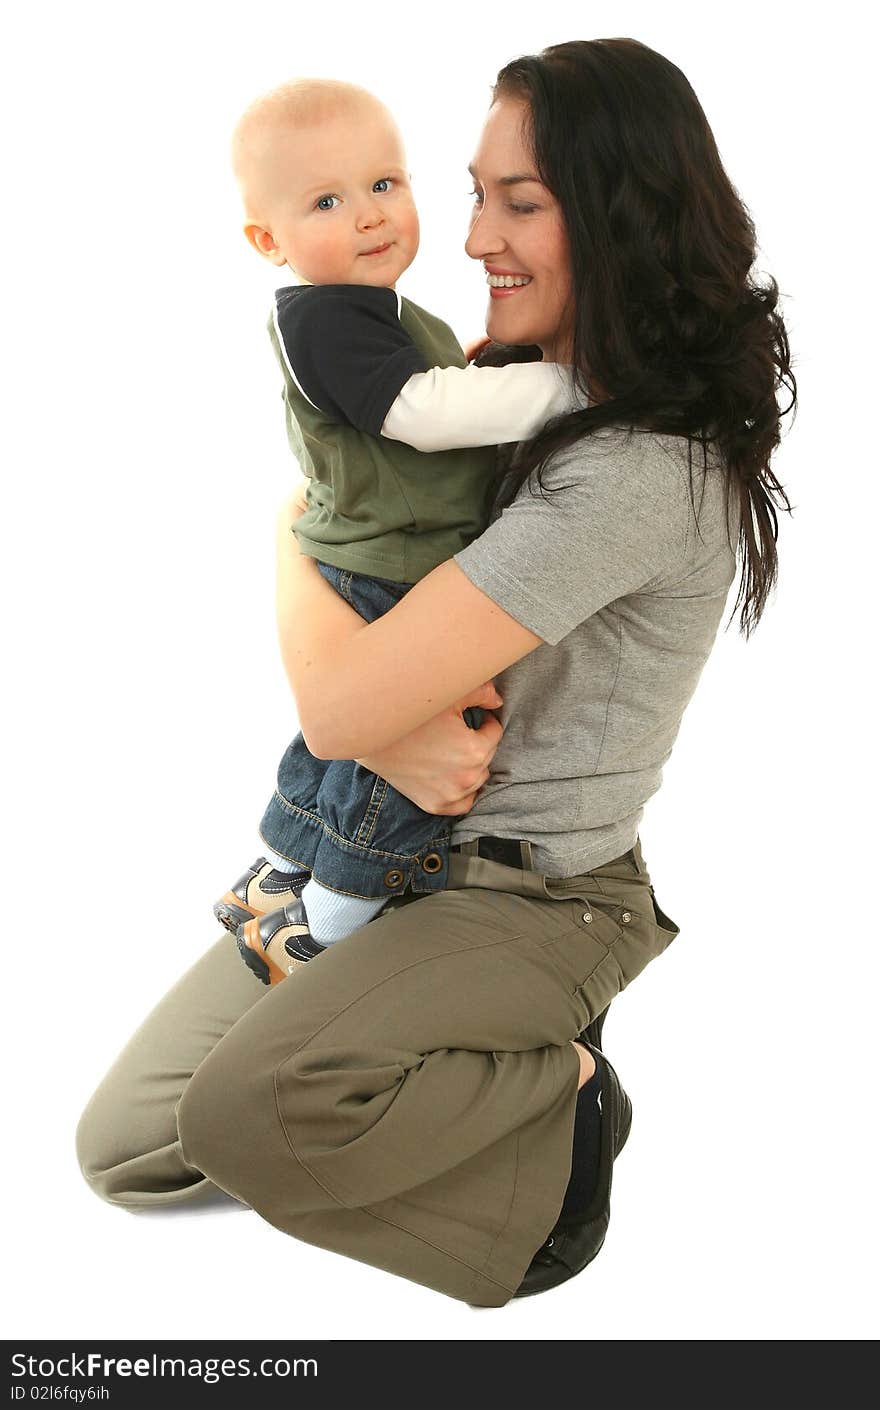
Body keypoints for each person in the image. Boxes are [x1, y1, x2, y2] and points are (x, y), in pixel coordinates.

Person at [76, 38, 795, 1306]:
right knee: (130, 1151)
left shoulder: (632, 467)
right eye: (472, 194)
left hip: (528, 898)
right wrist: (375, 724)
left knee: (245, 1123)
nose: (470, 239)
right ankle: (373, 1086)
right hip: (390, 842)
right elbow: (307, 522)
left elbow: (336, 693)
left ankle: (561, 1105)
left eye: (521, 201)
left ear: (620, 216)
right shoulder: (507, 390)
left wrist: (367, 713)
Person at [217, 78, 584, 985]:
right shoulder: (325, 315)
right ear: (269, 241)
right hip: (394, 567)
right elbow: (421, 413)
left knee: (333, 754)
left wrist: (472, 367)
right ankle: (333, 926)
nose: (372, 217)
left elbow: (421, 384)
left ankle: (283, 868)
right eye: (328, 201)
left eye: (386, 184)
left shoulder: (357, 311)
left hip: (375, 554)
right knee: (398, 767)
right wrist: (570, 388)